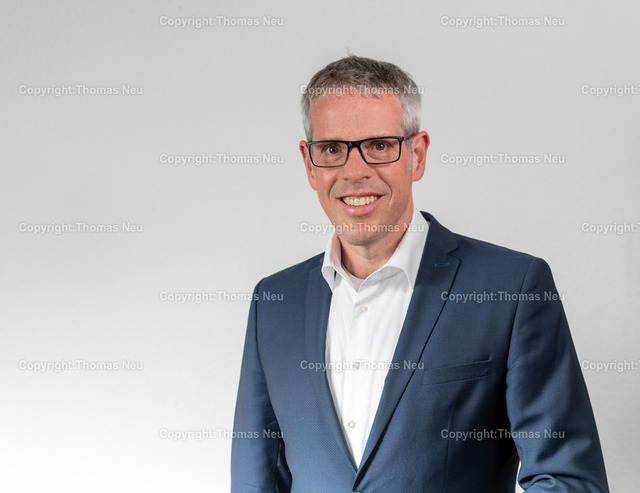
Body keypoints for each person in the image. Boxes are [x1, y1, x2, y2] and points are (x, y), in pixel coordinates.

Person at [231, 55, 609, 492]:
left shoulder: (511, 289)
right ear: (309, 164)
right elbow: (256, 480)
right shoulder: (273, 303)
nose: (355, 171)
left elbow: (568, 479)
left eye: (379, 146)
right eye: (332, 149)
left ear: (417, 154)